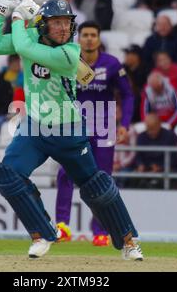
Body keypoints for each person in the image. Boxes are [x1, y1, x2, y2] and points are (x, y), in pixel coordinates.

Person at [0, 0, 143, 260]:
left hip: (69, 130)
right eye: (56, 23)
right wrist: (1, 9)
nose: (62, 29)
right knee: (9, 176)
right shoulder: (33, 35)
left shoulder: (70, 53)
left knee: (96, 188)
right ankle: (41, 234)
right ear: (45, 25)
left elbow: (23, 46)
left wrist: (20, 15)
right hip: (34, 128)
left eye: (67, 23)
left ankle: (129, 242)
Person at [55, 21, 135, 247]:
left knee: (102, 179)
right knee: (65, 174)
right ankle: (62, 225)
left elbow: (128, 95)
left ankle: (100, 230)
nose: (89, 38)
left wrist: (125, 124)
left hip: (104, 129)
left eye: (93, 35)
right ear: (78, 38)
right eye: (85, 35)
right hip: (74, 127)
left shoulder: (111, 63)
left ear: (99, 39)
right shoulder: (70, 61)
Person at [133, 113, 177, 189]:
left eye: (152, 128)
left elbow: (174, 158)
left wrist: (161, 167)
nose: (150, 131)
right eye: (148, 128)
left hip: (166, 169)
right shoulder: (141, 137)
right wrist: (140, 165)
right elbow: (138, 155)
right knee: (132, 178)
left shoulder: (171, 136)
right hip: (146, 169)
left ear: (159, 124)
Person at [122, 44, 150, 123]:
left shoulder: (145, 70)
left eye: (128, 54)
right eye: (126, 54)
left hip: (141, 100)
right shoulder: (122, 68)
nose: (126, 56)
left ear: (136, 57)